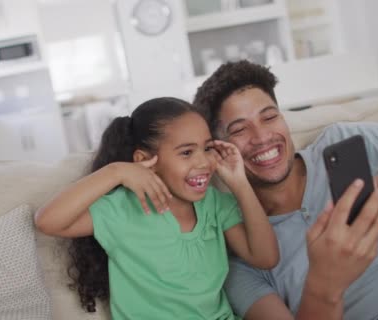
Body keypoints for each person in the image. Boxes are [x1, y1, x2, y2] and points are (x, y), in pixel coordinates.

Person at [193, 60, 378, 320]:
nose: (262, 137)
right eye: (239, 130)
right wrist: (324, 285)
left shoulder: (342, 142)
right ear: (217, 150)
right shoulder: (246, 258)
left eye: (269, 117)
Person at [34, 97, 281, 319]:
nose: (203, 162)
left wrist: (240, 184)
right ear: (145, 162)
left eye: (207, 148)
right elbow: (48, 221)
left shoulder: (214, 204)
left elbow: (265, 257)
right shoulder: (123, 209)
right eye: (186, 152)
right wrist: (116, 171)